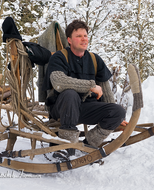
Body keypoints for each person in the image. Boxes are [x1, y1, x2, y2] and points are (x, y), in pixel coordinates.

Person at [43, 19, 128, 148]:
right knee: (70, 94)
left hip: (86, 109)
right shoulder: (60, 57)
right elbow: (58, 82)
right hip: (62, 109)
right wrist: (90, 86)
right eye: (78, 36)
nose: (84, 39)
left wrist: (116, 118)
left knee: (118, 111)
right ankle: (65, 146)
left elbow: (106, 92)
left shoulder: (95, 59)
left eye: (85, 36)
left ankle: (90, 143)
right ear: (69, 40)